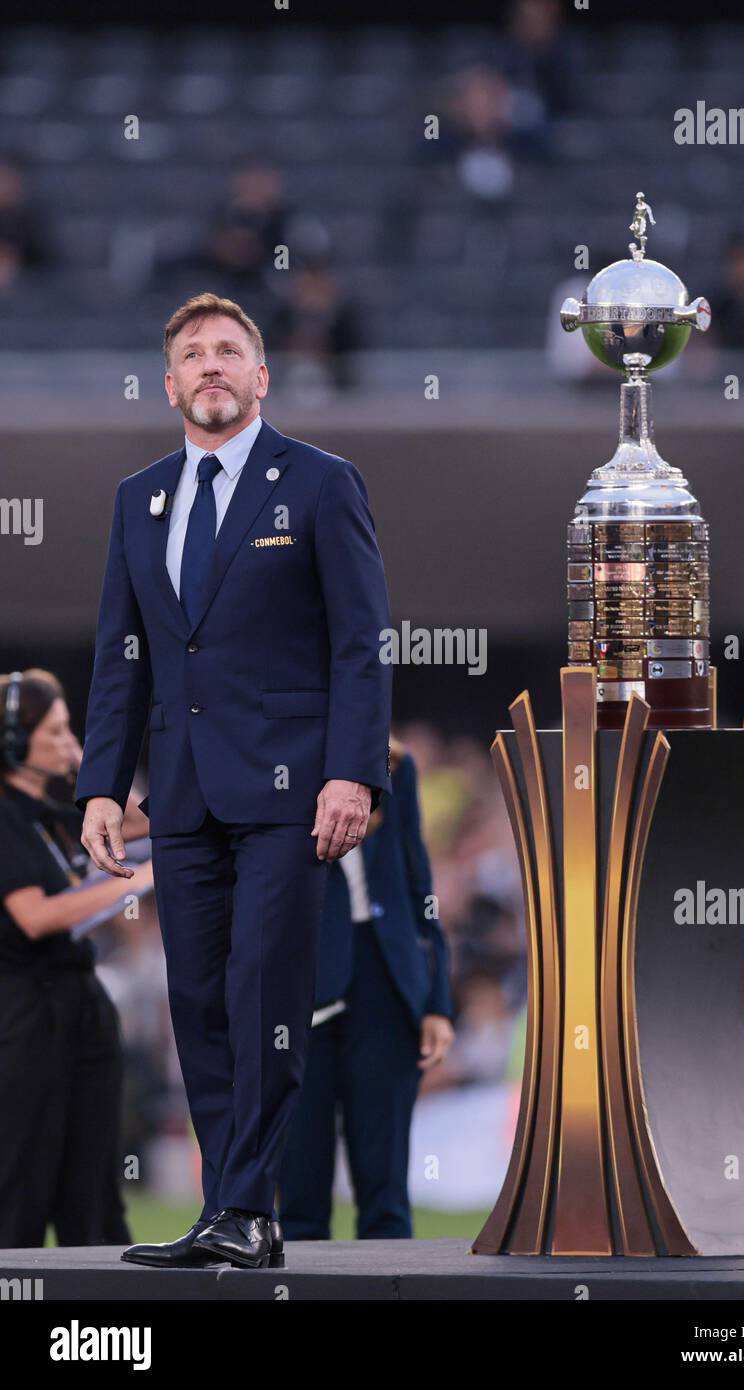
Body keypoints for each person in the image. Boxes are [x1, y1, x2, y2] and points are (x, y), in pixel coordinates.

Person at [74, 292, 392, 1270]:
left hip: (289, 796)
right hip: (178, 797)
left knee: (263, 991)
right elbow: (122, 656)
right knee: (199, 1003)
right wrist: (99, 783)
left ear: (260, 375)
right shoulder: (139, 498)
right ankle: (230, 1206)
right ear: (169, 384)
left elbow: (361, 644)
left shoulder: (322, 482)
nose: (210, 365)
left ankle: (250, 1208)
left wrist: (351, 774)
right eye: (191, 354)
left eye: (228, 351)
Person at [0, 668, 152, 1248]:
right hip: (24, 1013)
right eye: (57, 731)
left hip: (78, 1003)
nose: (71, 743)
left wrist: (97, 774)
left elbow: (143, 822)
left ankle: (103, 1312)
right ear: (15, 742)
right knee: (21, 1177)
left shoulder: (56, 808)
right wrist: (138, 880)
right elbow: (35, 916)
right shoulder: (8, 815)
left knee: (92, 1184)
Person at [278, 739, 454, 1239]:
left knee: (386, 1193)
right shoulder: (283, 760)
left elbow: (419, 885)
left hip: (388, 984)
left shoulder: (396, 763)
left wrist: (437, 1002)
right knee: (300, 1192)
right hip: (304, 983)